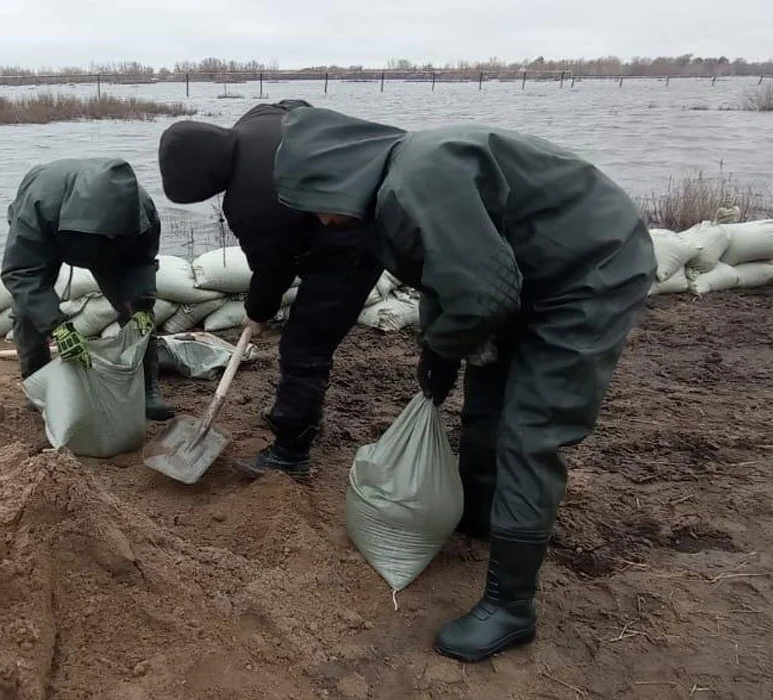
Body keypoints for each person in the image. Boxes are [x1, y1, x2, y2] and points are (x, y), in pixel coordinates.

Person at [272, 107, 656, 663]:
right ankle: (479, 512)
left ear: (338, 175)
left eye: (317, 206)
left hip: (588, 273)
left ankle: (510, 606)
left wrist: (443, 346)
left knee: (532, 429)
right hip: (527, 273)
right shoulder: (391, 189)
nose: (323, 223)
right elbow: (448, 277)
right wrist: (441, 353)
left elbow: (482, 299)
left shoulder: (417, 177)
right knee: (487, 401)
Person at [157, 100, 382, 481]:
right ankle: (305, 415)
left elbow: (271, 269)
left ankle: (291, 453)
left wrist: (257, 312)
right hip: (345, 212)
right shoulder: (258, 120)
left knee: (304, 346)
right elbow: (298, 108)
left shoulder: (251, 198)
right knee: (307, 333)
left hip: (355, 242)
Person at [0, 156, 175, 421]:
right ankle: (38, 384)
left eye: (118, 233)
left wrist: (141, 301)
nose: (112, 236)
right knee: (28, 312)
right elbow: (22, 274)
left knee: (138, 311)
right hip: (54, 234)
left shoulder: (142, 212)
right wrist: (57, 326)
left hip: (111, 253)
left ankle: (148, 387)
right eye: (108, 232)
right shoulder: (39, 203)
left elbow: (141, 262)